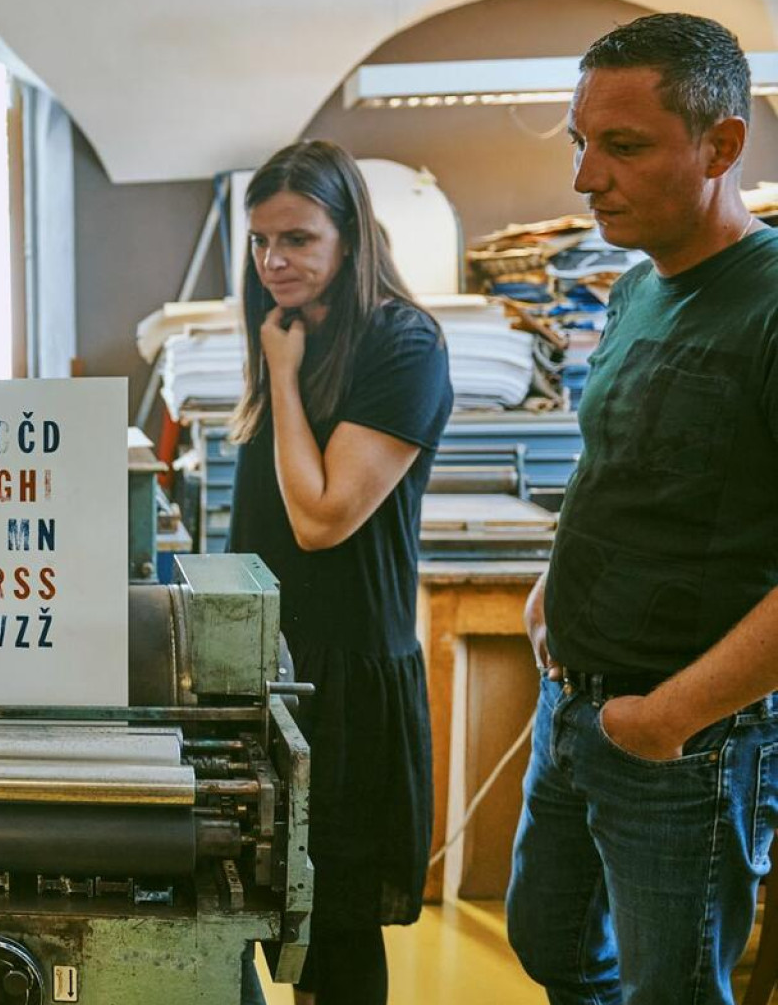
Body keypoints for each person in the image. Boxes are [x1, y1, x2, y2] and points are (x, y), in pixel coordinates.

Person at [508, 13, 778, 1005]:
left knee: (672, 987)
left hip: (686, 737)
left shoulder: (771, 303)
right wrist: (552, 591)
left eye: (622, 145)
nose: (585, 178)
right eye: (581, 142)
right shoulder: (633, 291)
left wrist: (670, 716)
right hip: (573, 702)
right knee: (553, 947)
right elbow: (624, 468)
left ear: (722, 144)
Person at [228, 139, 453, 1004]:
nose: (274, 261)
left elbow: (320, 519)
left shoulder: (402, 343)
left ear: (351, 237)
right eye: (259, 242)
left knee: (337, 930)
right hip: (268, 668)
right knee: (249, 908)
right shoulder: (289, 332)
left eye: (298, 240)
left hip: (348, 677)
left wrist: (280, 379)